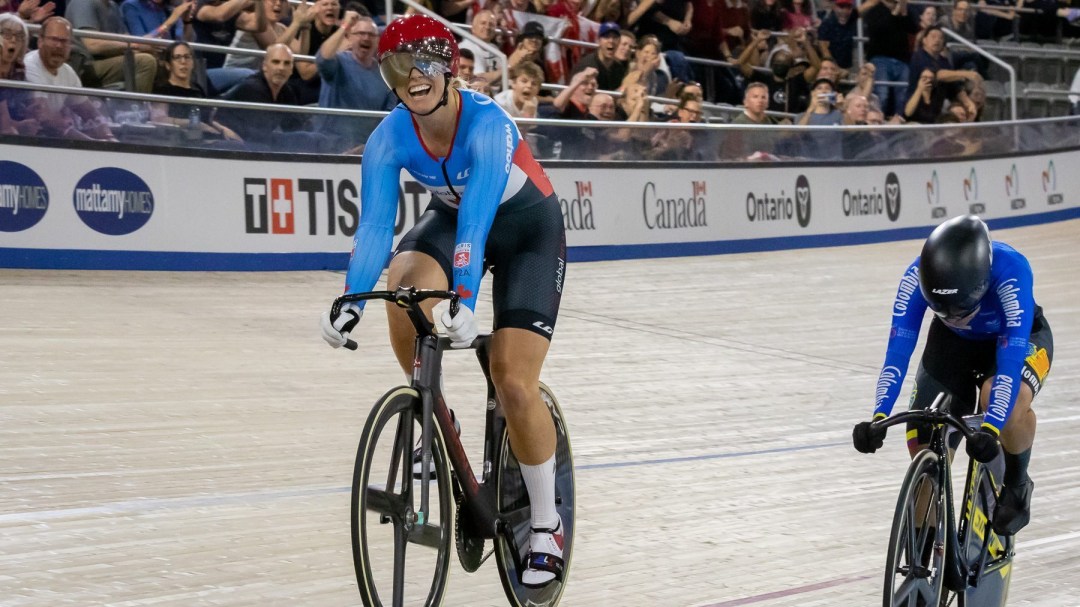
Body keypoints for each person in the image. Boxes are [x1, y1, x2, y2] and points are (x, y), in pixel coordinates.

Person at [319, 14, 567, 588]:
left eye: (423, 63)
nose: (412, 77)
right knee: (401, 281)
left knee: (512, 378)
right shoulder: (389, 136)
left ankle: (546, 524)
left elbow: (478, 218)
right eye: (397, 67)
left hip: (527, 231)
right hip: (454, 222)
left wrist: (462, 296)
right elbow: (377, 225)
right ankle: (435, 412)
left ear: (449, 65)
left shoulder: (488, 123)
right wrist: (351, 297)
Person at [854, 215, 1051, 537]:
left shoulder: (1012, 270)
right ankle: (925, 553)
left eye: (958, 307)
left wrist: (990, 427)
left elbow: (1010, 362)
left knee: (1002, 401)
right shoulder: (914, 277)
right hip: (953, 343)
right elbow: (897, 353)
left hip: (1017, 339)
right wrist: (879, 415)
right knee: (924, 434)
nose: (951, 313)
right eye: (941, 307)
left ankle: (1017, 483)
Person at [315, 11, 394, 148]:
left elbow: (388, 116)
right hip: (330, 144)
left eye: (371, 35)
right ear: (349, 38)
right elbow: (323, 59)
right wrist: (345, 26)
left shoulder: (386, 74)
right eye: (360, 33)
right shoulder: (339, 61)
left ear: (377, 41)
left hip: (365, 149)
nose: (366, 38)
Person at [151, 40, 241, 140]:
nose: (183, 62)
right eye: (177, 57)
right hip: (182, 139)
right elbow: (158, 119)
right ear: (168, 65)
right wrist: (193, 124)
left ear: (193, 63)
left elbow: (208, 119)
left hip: (208, 137)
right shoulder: (163, 89)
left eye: (187, 57)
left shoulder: (198, 88)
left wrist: (223, 130)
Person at [64, 0, 159, 92]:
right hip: (86, 65)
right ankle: (138, 107)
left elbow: (127, 40)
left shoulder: (113, 6)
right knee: (145, 62)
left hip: (109, 59)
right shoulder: (83, 3)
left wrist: (147, 46)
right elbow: (92, 45)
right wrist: (136, 45)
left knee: (158, 61)